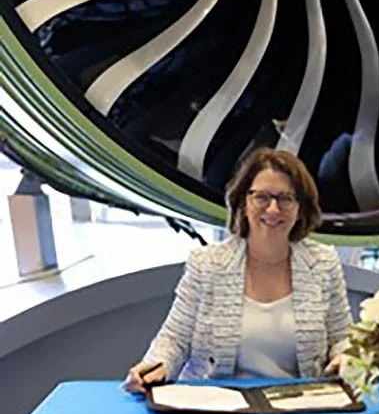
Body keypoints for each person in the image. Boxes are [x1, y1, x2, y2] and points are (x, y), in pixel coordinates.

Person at [122, 148, 351, 393]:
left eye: (286, 198)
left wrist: (345, 358)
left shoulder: (324, 263)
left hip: (299, 404)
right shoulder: (206, 263)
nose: (273, 209)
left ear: (300, 208)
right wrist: (156, 366)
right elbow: (175, 339)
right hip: (216, 404)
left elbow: (343, 338)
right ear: (243, 201)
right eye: (262, 197)